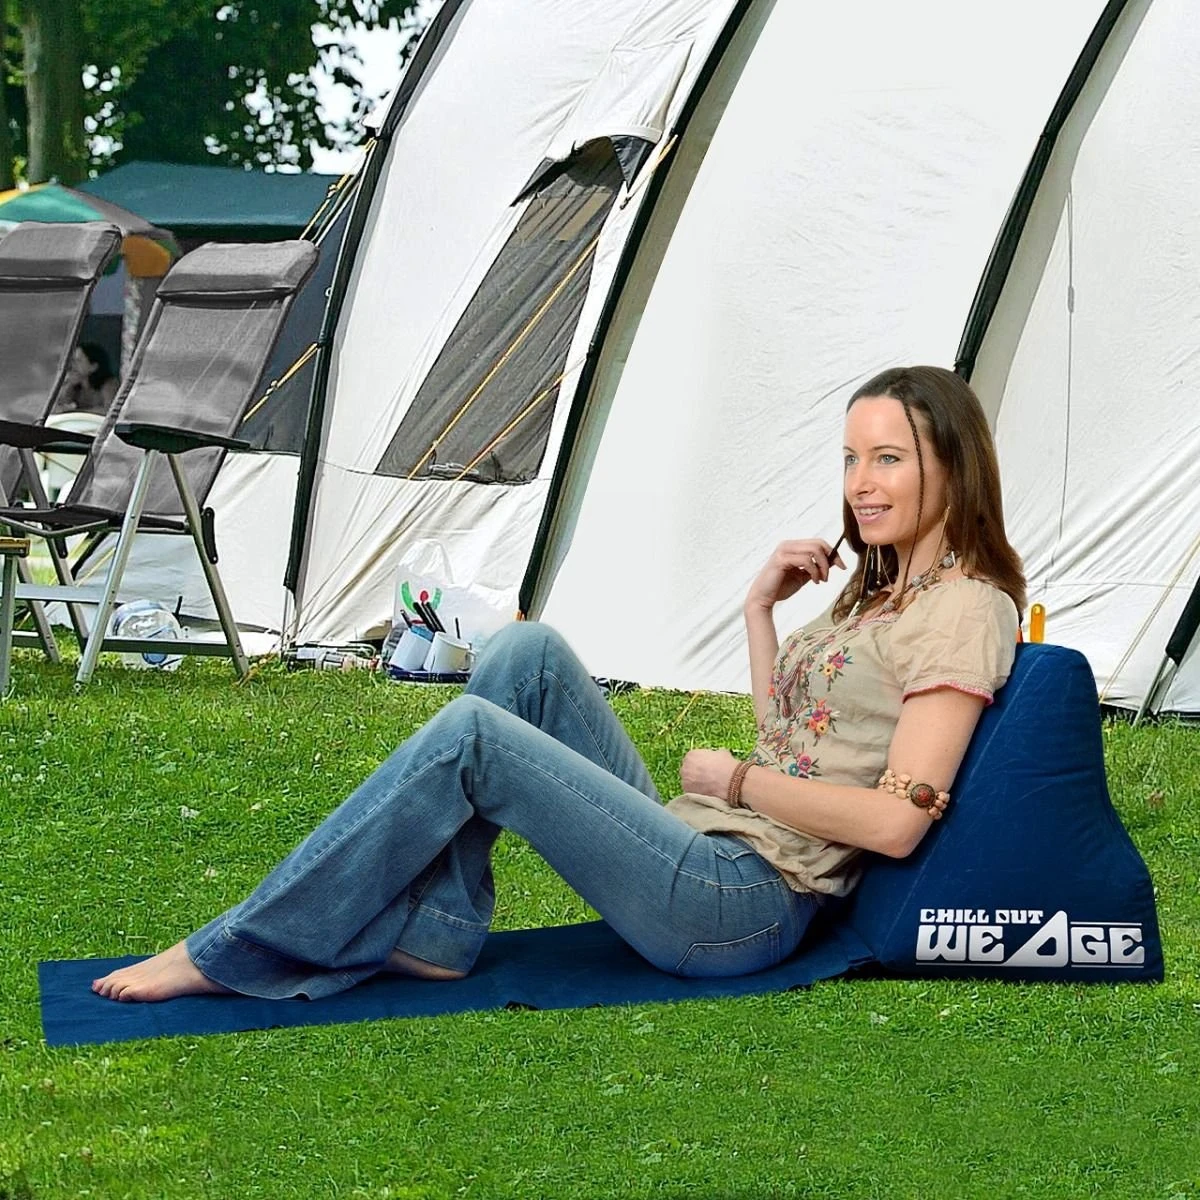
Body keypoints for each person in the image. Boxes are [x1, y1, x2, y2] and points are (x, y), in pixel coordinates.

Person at [92, 365, 1025, 1004]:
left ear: (953, 463)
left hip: (742, 905)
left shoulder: (963, 609)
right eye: (851, 459)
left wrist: (736, 783)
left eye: (888, 458)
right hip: (706, 843)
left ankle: (239, 948)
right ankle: (438, 929)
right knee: (525, 653)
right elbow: (795, 737)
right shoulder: (877, 592)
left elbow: (896, 824)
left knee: (473, 738)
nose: (861, 483)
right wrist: (758, 611)